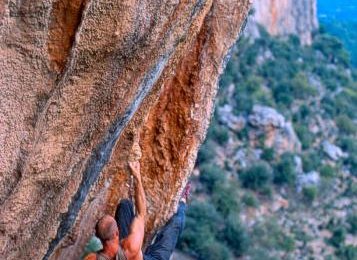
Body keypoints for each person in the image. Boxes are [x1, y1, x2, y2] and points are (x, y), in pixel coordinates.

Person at [85, 159, 190, 260]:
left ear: (97, 236)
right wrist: (137, 176)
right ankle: (183, 201)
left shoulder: (91, 258)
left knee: (124, 206)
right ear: (117, 232)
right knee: (175, 223)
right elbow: (141, 213)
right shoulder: (131, 247)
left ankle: (128, 202)